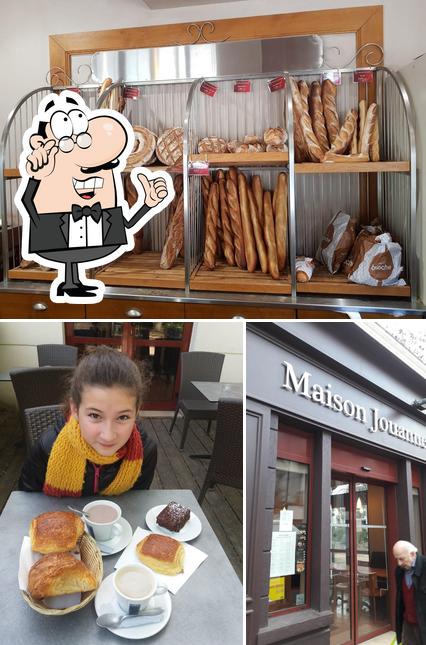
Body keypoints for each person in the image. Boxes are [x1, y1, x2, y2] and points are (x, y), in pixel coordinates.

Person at [19, 346, 157, 495]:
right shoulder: (47, 447)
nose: (108, 435)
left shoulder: (146, 452)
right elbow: (27, 499)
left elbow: (137, 501)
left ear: (136, 412)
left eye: (123, 417)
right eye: (95, 416)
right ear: (75, 410)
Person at [393, 540, 426, 645]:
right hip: (408, 623)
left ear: (412, 554)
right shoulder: (399, 571)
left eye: (401, 559)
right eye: (397, 559)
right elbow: (401, 600)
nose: (399, 563)